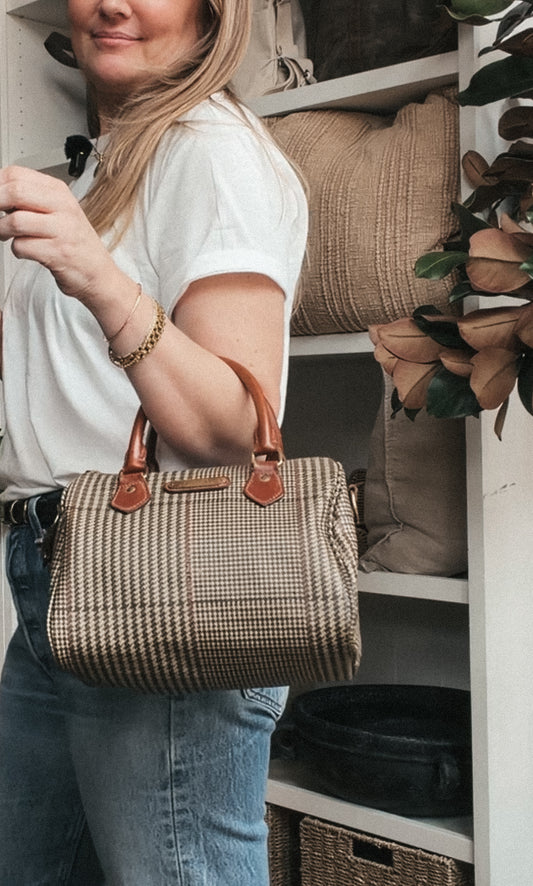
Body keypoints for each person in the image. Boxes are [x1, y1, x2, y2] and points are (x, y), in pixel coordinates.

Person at [0, 0, 308, 881]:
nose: (112, 4)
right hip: (57, 579)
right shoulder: (109, 163)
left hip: (159, 587)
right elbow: (70, 382)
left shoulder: (211, 151)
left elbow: (235, 431)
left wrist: (96, 277)